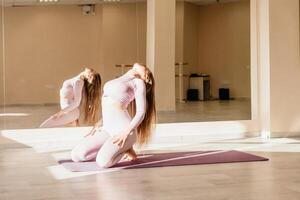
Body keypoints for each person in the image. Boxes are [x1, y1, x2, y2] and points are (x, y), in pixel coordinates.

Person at [70, 63, 156, 168]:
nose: (145, 66)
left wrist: (126, 132)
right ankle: (118, 148)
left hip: (124, 131)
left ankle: (125, 149)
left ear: (146, 77)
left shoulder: (138, 83)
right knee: (77, 155)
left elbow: (141, 113)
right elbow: (110, 106)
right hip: (107, 129)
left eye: (146, 69)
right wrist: (99, 122)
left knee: (103, 162)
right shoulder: (118, 79)